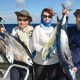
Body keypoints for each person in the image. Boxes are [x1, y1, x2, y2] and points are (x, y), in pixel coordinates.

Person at [32, 8, 76, 80]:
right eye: (45, 16)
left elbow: (63, 34)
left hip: (55, 63)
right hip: (40, 63)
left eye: (49, 16)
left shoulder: (54, 29)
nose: (47, 18)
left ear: (51, 18)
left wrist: (65, 16)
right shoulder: (37, 28)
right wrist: (45, 51)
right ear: (41, 16)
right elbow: (34, 45)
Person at [0, 10, 34, 80]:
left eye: (25, 20)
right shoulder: (14, 29)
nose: (22, 22)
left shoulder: (32, 30)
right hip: (15, 61)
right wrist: (3, 34)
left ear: (28, 21)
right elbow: (12, 45)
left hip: (27, 62)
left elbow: (32, 47)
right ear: (17, 20)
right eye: (20, 20)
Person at [67, 9, 80, 79]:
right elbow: (62, 30)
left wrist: (77, 67)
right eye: (78, 16)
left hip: (77, 70)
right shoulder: (71, 29)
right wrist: (65, 16)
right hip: (67, 66)